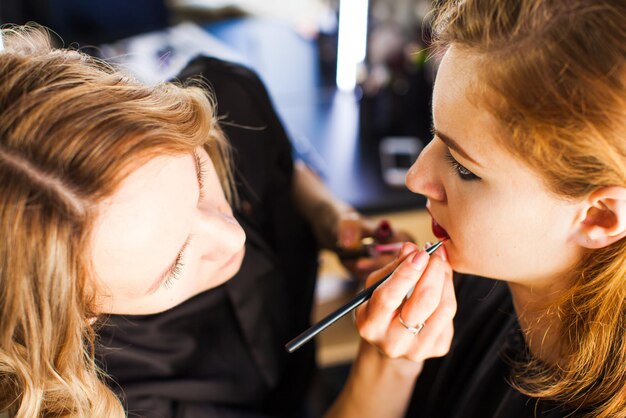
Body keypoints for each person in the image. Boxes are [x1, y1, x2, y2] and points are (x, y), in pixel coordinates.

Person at [0, 25, 448, 418]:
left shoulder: (229, 95)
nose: (231, 236)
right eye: (174, 265)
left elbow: (278, 165)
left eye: (198, 177)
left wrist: (333, 220)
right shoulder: (117, 400)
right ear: (78, 315)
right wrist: (391, 363)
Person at [351, 1, 626, 417]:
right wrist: (390, 362)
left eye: (463, 167)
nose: (415, 178)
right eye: (435, 135)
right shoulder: (474, 281)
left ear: (599, 216)